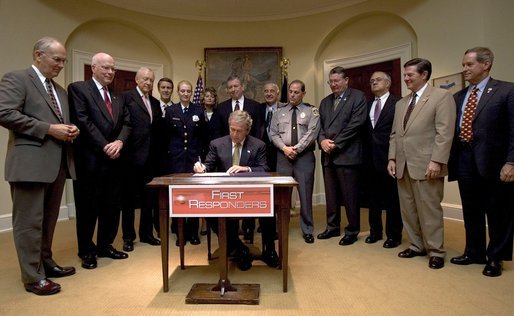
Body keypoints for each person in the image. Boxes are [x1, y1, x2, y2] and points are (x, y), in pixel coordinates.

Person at [0, 37, 78, 295]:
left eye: (64, 61)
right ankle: (32, 277)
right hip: (29, 165)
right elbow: (5, 113)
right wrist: (49, 129)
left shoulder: (60, 91)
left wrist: (69, 130)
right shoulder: (17, 79)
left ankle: (45, 262)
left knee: (48, 221)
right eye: (57, 59)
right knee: (29, 223)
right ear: (38, 56)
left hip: (56, 165)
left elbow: (58, 124)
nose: (60, 65)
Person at [447, 47, 514, 277]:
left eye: (469, 64)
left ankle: (496, 257)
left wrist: (511, 162)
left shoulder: (506, 91)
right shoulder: (459, 96)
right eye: (463, 64)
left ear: (486, 65)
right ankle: (473, 252)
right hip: (464, 160)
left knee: (498, 213)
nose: (464, 69)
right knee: (471, 211)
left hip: (495, 163)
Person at [387, 58, 456, 270]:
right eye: (405, 75)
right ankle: (416, 245)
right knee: (408, 209)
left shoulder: (441, 97)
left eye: (410, 75)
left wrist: (437, 160)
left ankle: (436, 250)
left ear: (424, 74)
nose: (406, 78)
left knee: (429, 210)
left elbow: (445, 133)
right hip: (402, 164)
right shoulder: (401, 103)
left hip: (427, 164)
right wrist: (392, 158)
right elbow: (395, 134)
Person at [68, 52, 131, 270]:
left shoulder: (118, 96)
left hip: (115, 162)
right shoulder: (78, 89)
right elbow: (83, 121)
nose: (110, 72)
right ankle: (87, 250)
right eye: (105, 67)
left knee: (112, 207)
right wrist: (105, 145)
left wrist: (120, 143)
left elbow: (127, 123)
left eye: (112, 68)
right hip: (90, 161)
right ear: (93, 68)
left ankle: (106, 245)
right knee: (88, 208)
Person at [194, 110, 269, 270]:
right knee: (208, 212)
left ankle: (269, 251)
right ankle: (239, 248)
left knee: (269, 208)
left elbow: (264, 169)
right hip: (223, 195)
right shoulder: (217, 144)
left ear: (247, 130)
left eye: (239, 131)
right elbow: (208, 166)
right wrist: (201, 168)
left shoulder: (258, 145)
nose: (234, 134)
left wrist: (246, 168)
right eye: (232, 129)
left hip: (250, 194)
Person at [317, 66, 367, 246]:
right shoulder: (325, 102)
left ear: (346, 80)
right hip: (328, 155)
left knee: (349, 195)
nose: (333, 85)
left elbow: (356, 124)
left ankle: (352, 230)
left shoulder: (357, 97)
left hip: (347, 154)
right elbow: (319, 126)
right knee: (331, 195)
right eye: (331, 82)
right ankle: (332, 227)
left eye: (337, 81)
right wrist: (322, 141)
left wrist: (335, 144)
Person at [270, 80, 320, 244]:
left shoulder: (311, 111)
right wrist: (285, 149)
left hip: (304, 156)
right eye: (290, 91)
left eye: (296, 92)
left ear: (303, 93)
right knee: (282, 194)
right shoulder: (279, 111)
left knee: (305, 194)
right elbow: (273, 133)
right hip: (283, 157)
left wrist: (296, 149)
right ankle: (279, 228)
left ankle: (307, 229)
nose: (292, 94)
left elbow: (312, 133)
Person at [213, 75, 262, 242]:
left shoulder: (255, 106)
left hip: (249, 156)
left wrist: (249, 152)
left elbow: (259, 132)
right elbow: (218, 134)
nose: (233, 89)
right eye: (230, 87)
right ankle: (232, 237)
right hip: (227, 156)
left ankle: (249, 230)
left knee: (249, 199)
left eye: (236, 86)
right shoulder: (221, 108)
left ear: (242, 87)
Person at [120, 67, 162, 252]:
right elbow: (123, 125)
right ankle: (128, 237)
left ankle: (146, 234)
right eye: (145, 79)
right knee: (128, 200)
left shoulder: (154, 102)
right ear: (137, 80)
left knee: (149, 199)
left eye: (151, 80)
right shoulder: (125, 98)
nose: (148, 83)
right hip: (130, 158)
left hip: (151, 159)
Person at [163, 80, 207, 246]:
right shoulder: (170, 111)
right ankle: (180, 232)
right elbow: (166, 137)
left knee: (194, 196)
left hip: (193, 160)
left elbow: (203, 136)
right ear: (178, 92)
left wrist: (200, 158)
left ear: (191, 93)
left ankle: (193, 232)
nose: (186, 93)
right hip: (176, 160)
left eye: (188, 91)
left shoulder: (199, 111)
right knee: (178, 197)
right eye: (183, 91)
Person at [363, 71, 402, 248]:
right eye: (371, 81)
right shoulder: (368, 104)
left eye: (378, 80)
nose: (373, 83)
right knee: (373, 199)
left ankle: (393, 235)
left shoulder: (399, 103)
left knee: (393, 199)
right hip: (369, 159)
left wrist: (393, 157)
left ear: (388, 83)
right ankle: (375, 232)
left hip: (390, 158)